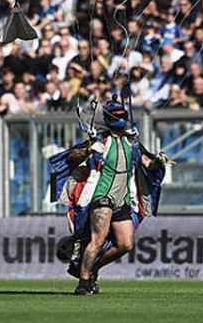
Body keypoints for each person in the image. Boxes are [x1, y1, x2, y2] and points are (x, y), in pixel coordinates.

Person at [49, 100, 167, 295]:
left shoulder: (132, 143)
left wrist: (158, 161)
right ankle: (83, 283)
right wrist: (89, 150)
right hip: (101, 197)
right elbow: (72, 157)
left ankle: (91, 268)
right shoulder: (100, 141)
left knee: (125, 244)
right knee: (97, 241)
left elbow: (147, 164)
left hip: (123, 200)